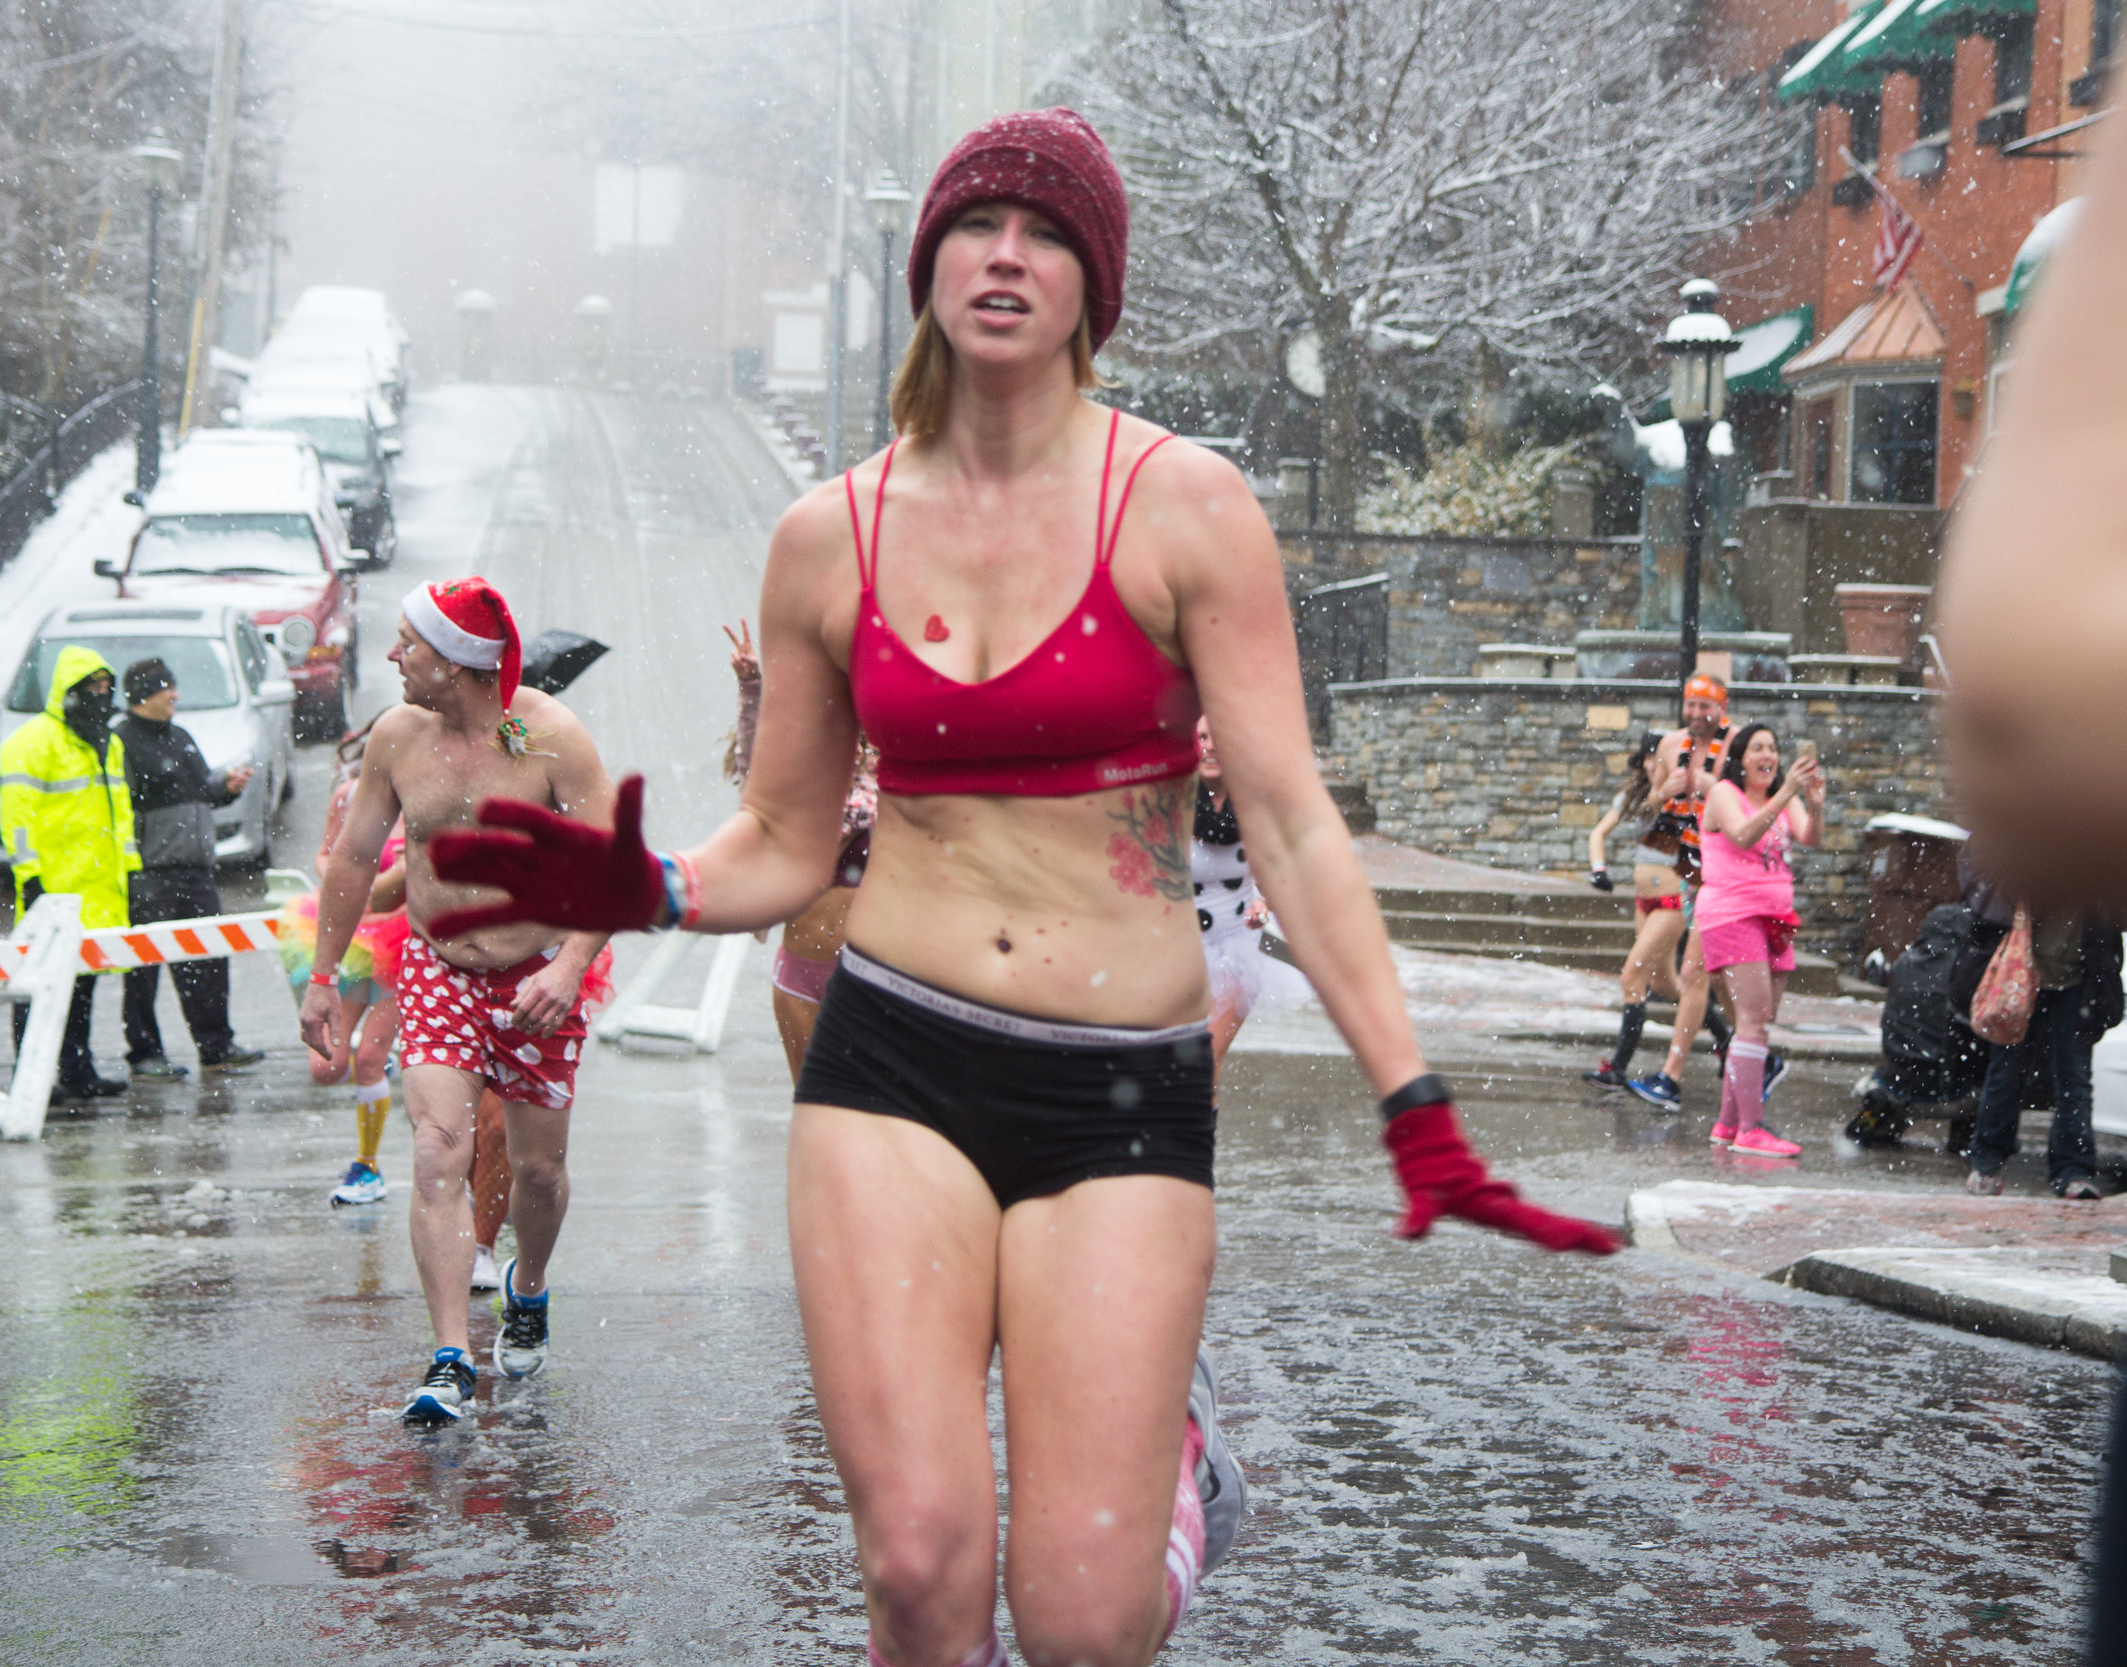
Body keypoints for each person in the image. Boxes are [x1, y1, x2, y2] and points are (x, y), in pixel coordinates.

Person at [424, 109, 1616, 1667]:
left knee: (1081, 1620)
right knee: (917, 1571)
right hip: (893, 1064)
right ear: (929, 267)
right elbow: (787, 839)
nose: (1009, 253)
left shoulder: (1189, 509)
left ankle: (1183, 1483)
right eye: (980, 225)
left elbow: (1298, 829)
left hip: (1116, 1085)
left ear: (1093, 286)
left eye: (1051, 232)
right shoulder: (827, 539)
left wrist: (1414, 1093)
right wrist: (627, 878)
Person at [1933, 8, 2127, 1656]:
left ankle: (2016, 1159)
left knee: (2049, 1068)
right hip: (2063, 920)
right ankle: (2007, 1160)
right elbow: (2049, 699)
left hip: (2101, 933)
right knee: (2026, 1059)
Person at [297, 578, 614, 1425]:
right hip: (440, 973)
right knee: (437, 1150)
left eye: (410, 643)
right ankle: (449, 1356)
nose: (394, 656)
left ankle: (529, 1284)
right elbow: (355, 859)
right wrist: (324, 977)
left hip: (539, 978)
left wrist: (570, 967)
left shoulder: (553, 739)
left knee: (538, 1173)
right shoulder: (398, 737)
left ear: (462, 662)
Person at [1956, 854, 2127, 1200]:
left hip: (2079, 984)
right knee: (2007, 1073)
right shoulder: (2016, 844)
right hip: (2019, 981)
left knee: (2074, 1078)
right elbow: (1980, 886)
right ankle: (1986, 1163)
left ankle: (2073, 1171)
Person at [723, 619, 879, 1081]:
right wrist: (752, 688)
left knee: (876, 1119)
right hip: (801, 975)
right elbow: (755, 774)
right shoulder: (804, 793)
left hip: (874, 976)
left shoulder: (890, 789)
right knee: (813, 1110)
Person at [0, 645, 136, 1102]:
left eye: (105, 687)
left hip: (97, 890)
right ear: (69, 691)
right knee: (39, 988)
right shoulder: (34, 741)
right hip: (54, 889)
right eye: (91, 688)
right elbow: (16, 817)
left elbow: (120, 813)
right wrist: (30, 875)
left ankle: (77, 1072)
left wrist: (129, 867)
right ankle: (32, 1077)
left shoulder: (107, 742)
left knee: (83, 988)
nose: (100, 695)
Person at [114, 657, 264, 1079]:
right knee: (143, 969)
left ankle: (216, 1046)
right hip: (150, 874)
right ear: (144, 694)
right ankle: (144, 1053)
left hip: (196, 872)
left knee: (208, 960)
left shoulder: (179, 736)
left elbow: (202, 789)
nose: (175, 695)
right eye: (167, 688)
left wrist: (225, 787)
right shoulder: (122, 742)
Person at [280, 735, 408, 1207]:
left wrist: (383, 885)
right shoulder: (349, 795)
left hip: (404, 943)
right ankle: (381, 1068)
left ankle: (368, 1168)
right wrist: (341, 875)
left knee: (368, 1060)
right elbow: (325, 853)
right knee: (326, 1067)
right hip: (352, 938)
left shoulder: (424, 795)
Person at [1693, 726, 1823, 1157]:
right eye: (1758, 748)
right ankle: (1751, 1129)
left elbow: (1809, 837)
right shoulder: (1725, 793)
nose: (1767, 755)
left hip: (1776, 920)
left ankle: (1727, 1124)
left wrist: (1816, 805)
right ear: (1742, 758)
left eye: (1773, 748)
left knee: (1756, 1025)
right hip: (1733, 914)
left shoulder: (1785, 799)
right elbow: (1743, 835)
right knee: (1752, 1020)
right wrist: (1786, 792)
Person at [1624, 675, 1741, 1110]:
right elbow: (1651, 808)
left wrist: (1711, 788)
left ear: (1722, 707)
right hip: (1688, 871)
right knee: (1707, 982)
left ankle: (1673, 1076)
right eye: (1690, 705)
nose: (1696, 714)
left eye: (1705, 706)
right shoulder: (1673, 745)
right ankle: (1750, 1051)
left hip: (1724, 874)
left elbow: (1746, 804)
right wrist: (1663, 793)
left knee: (1696, 976)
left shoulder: (1736, 745)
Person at [1191, 719, 1306, 1065]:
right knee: (1171, 1070)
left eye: (1218, 738)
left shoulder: (1255, 807)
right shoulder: (1171, 803)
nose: (1209, 746)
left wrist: (1262, 903)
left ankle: (1202, 1118)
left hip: (1234, 952)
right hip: (1176, 952)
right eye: (1201, 738)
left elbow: (1273, 872)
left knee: (1204, 1063)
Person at [1581, 735, 1685, 1089]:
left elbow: (1659, 807)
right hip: (1645, 901)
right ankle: (1724, 1040)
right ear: (1643, 761)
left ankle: (1618, 1068)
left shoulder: (1683, 796)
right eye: (1652, 758)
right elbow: (1599, 833)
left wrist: (1668, 789)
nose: (1658, 764)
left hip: (1673, 901)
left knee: (1631, 978)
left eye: (1664, 757)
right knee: (1667, 985)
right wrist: (1599, 870)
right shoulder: (1634, 798)